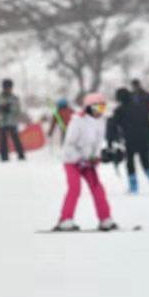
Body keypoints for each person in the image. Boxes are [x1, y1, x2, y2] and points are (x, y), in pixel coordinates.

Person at [54, 93, 117, 231]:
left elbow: (97, 144)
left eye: (103, 108)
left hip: (88, 163)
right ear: (90, 108)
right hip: (72, 161)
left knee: (98, 189)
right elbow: (69, 144)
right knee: (75, 188)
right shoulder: (78, 121)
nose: (101, 111)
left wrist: (98, 157)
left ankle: (105, 219)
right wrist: (80, 158)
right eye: (99, 108)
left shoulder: (101, 122)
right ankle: (65, 220)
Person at [107, 88, 149, 195]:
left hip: (129, 139)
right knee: (146, 162)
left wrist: (112, 140)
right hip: (144, 139)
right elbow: (148, 124)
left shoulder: (119, 110)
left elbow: (113, 126)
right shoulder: (141, 107)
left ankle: (133, 187)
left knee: (130, 163)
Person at [0, 79, 25, 161]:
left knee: (16, 139)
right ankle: (4, 157)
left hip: (12, 122)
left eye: (9, 87)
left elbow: (18, 110)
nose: (8, 89)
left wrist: (9, 109)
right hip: (2, 122)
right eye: (6, 87)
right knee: (2, 141)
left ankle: (21, 156)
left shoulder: (14, 98)